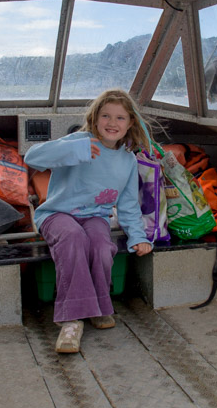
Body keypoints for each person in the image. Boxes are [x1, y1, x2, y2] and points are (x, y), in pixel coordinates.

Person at [24, 89, 154, 353]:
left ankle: (97, 304)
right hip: (57, 214)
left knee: (100, 244)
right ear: (95, 120)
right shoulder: (79, 142)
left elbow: (128, 204)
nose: (112, 123)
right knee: (73, 238)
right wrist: (74, 148)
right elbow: (32, 158)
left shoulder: (128, 161)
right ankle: (71, 321)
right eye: (105, 116)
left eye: (120, 118)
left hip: (95, 216)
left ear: (130, 123)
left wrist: (138, 236)